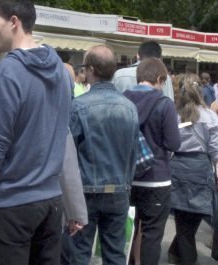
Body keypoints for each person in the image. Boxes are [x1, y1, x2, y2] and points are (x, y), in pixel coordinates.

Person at [0, 0, 72, 263]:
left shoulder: (7, 71)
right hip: (51, 201)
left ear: (13, 21)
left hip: (12, 202)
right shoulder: (61, 71)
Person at [64, 45, 140, 265]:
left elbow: (68, 154)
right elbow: (133, 151)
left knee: (79, 253)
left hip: (85, 191)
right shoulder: (130, 107)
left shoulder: (78, 106)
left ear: (90, 70)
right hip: (119, 189)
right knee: (115, 254)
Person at [123, 58, 181, 265]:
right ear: (159, 79)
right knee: (152, 235)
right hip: (157, 179)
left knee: (128, 231)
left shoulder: (122, 100)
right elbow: (174, 143)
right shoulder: (164, 104)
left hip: (127, 178)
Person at [167, 74, 218, 265]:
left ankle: (178, 254)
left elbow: (168, 145)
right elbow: (215, 149)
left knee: (183, 224)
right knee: (191, 223)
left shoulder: (174, 115)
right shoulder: (210, 116)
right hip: (201, 168)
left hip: (178, 168)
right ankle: (178, 255)